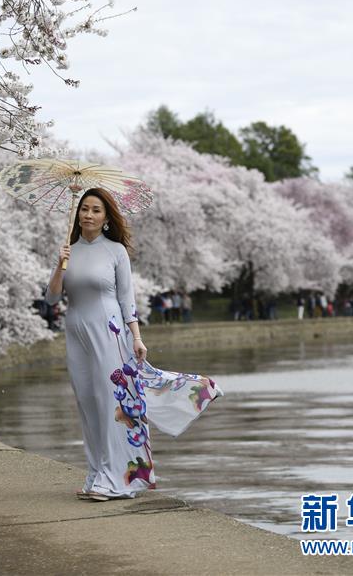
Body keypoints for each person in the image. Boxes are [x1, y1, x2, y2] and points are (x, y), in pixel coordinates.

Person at [44, 187, 223, 502]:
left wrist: (136, 336)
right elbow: (53, 298)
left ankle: (117, 478)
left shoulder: (115, 251)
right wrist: (60, 264)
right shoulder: (68, 250)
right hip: (76, 333)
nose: (88, 214)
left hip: (109, 331)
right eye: (84, 208)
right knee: (87, 404)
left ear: (106, 217)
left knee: (110, 404)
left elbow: (126, 298)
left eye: (96, 210)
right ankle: (96, 474)